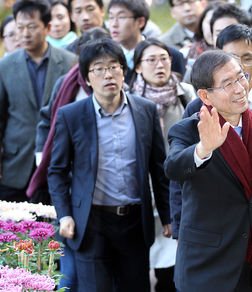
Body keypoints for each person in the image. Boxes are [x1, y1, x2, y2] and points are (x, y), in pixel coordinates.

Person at [165, 49, 252, 292]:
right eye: (227, 84)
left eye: (241, 77)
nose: (241, 88)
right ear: (205, 95)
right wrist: (203, 150)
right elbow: (173, 168)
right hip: (207, 263)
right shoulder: (189, 131)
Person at [48, 38, 171, 292]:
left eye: (114, 66)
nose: (109, 74)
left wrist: (168, 214)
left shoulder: (145, 110)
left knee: (135, 287)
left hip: (134, 221)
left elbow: (158, 167)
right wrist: (65, 215)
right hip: (92, 221)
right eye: (99, 69)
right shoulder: (71, 115)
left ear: (124, 71)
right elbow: (57, 171)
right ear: (87, 78)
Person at [29, 27, 110, 291]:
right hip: (70, 184)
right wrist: (44, 155)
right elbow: (46, 120)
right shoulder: (65, 84)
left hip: (104, 190)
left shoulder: (119, 86)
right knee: (70, 270)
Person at [129, 38, 195, 292]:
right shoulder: (129, 100)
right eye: (151, 60)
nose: (160, 65)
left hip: (181, 190)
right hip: (143, 192)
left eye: (164, 58)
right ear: (137, 67)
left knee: (172, 267)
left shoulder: (187, 95)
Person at [0, 0, 76, 202]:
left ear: (47, 27)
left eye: (32, 27)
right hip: (16, 163)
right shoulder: (5, 66)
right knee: (13, 230)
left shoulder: (69, 62)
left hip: (59, 159)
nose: (24, 34)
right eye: (20, 27)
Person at [107, 0, 148, 82]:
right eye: (111, 17)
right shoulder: (105, 56)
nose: (114, 24)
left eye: (121, 17)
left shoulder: (161, 55)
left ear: (140, 22)